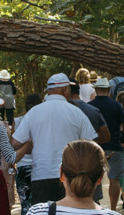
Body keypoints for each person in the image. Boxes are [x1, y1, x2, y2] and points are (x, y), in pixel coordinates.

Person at [10, 73, 96, 204]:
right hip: (70, 176)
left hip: (41, 175)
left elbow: (15, 143)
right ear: (65, 89)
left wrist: (31, 145)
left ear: (48, 91)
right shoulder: (76, 112)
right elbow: (90, 145)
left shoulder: (34, 112)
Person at [89, 77, 124, 212]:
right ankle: (113, 209)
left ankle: (93, 208)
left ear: (96, 89)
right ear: (109, 90)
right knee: (114, 179)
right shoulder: (116, 105)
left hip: (95, 147)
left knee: (93, 179)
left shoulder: (90, 106)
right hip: (114, 147)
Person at [13, 93, 43, 214]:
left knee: (26, 205)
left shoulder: (18, 121)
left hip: (23, 167)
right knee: (41, 205)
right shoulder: (43, 121)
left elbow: (13, 145)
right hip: (40, 167)